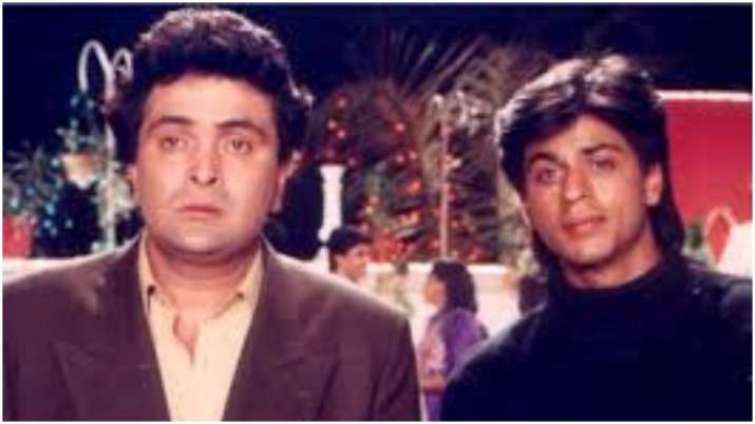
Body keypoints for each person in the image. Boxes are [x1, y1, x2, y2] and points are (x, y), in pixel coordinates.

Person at [3, 7, 419, 420]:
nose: (204, 172)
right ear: (132, 168)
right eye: (173, 142)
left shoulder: (371, 344)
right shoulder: (20, 322)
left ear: (282, 175)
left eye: (238, 144)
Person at [442, 55, 752, 420]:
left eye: (601, 164)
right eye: (547, 174)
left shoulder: (741, 329)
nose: (574, 191)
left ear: (652, 182)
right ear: (526, 206)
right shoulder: (486, 386)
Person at [417, 260, 486, 421]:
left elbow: (463, 375)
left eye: (430, 280)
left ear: (443, 285)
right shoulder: (434, 321)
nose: (424, 287)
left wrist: (418, 383)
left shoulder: (462, 322)